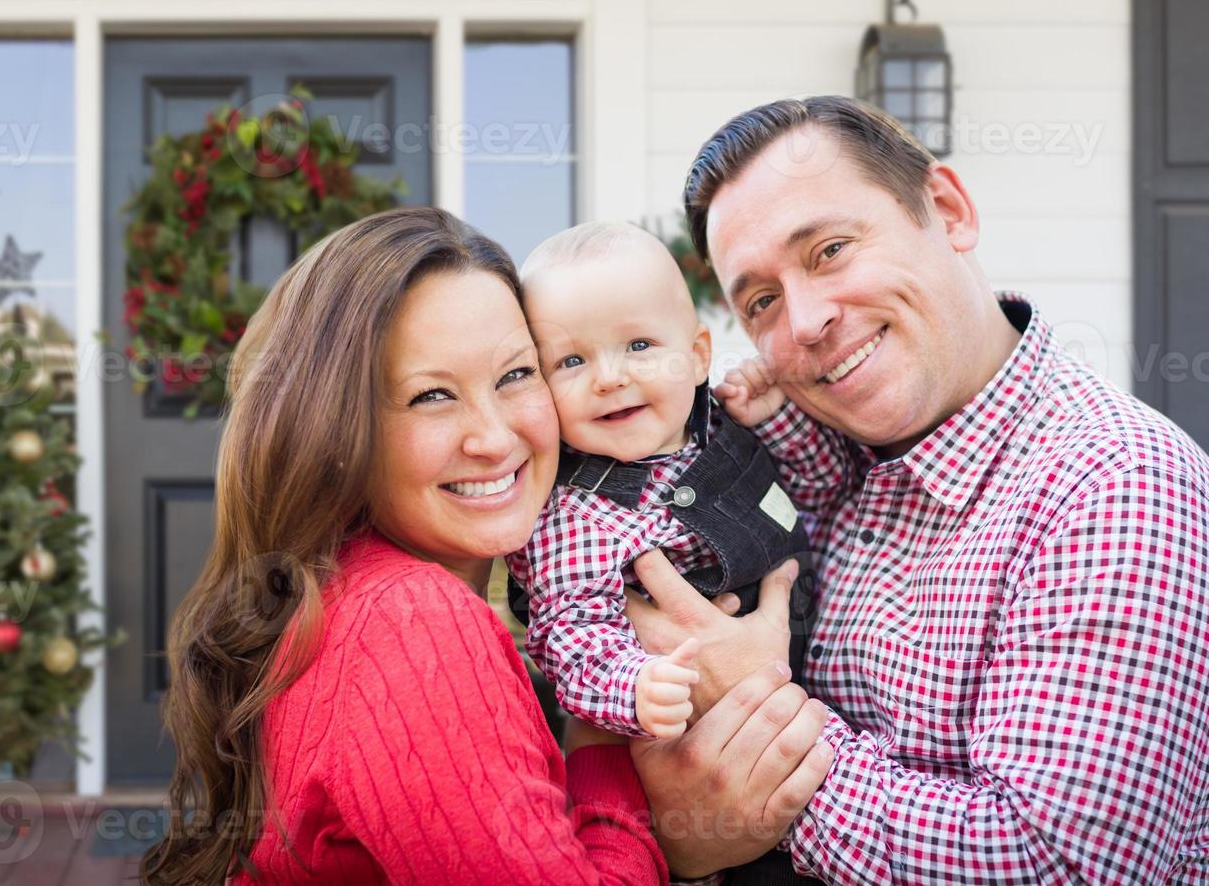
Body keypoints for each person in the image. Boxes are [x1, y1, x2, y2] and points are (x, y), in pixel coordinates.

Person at [137, 206, 834, 884]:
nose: (495, 438)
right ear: (337, 430)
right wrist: (654, 811)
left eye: (513, 375)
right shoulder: (414, 623)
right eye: (431, 396)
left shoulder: (353, 589)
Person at [626, 96, 1209, 883]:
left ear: (947, 210)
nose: (802, 320)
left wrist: (758, 734)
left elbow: (1059, 866)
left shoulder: (1112, 482)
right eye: (759, 300)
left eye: (829, 249)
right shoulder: (803, 464)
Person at [505, 220, 813, 742]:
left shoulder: (724, 423)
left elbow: (819, 489)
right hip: (700, 727)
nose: (609, 377)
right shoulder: (576, 514)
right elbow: (570, 635)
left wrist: (777, 418)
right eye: (571, 360)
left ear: (696, 356)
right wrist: (634, 685)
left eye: (639, 345)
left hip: (816, 676)